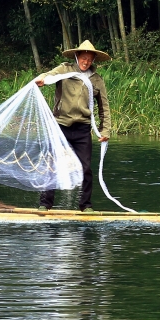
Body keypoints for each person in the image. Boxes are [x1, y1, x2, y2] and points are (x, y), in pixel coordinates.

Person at [33, 39, 111, 211]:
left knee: (85, 169)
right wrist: (42, 79)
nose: (86, 62)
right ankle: (45, 204)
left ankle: (85, 206)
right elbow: (49, 75)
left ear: (93, 60)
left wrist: (105, 130)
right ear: (77, 56)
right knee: (52, 165)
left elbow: (104, 107)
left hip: (83, 129)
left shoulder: (96, 80)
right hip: (60, 127)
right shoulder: (65, 70)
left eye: (90, 59)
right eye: (83, 58)